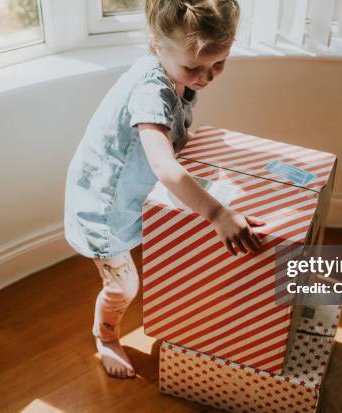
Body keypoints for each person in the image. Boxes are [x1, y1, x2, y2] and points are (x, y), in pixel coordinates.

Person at [63, 0, 264, 379]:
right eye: (195, 68)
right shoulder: (150, 91)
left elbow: (176, 129)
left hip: (131, 192)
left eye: (218, 64)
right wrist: (218, 213)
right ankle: (105, 336)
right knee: (124, 285)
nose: (206, 77)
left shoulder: (175, 71)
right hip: (103, 208)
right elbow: (163, 164)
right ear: (156, 45)